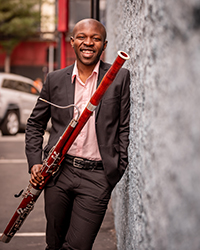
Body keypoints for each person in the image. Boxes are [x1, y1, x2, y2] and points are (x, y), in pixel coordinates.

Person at [25, 18, 130, 250]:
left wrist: (115, 169)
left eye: (96, 38)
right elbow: (34, 124)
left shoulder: (120, 77)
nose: (88, 42)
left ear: (104, 45)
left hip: (97, 178)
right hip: (58, 174)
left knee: (78, 246)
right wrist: (35, 163)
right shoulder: (54, 80)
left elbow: (123, 127)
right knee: (54, 244)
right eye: (82, 37)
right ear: (72, 42)